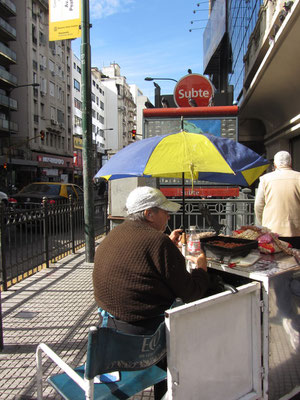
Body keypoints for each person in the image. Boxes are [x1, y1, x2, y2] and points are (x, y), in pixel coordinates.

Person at [93, 185, 209, 399]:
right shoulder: (158, 242)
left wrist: (167, 247)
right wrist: (202, 267)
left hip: (109, 330)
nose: (168, 216)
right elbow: (192, 291)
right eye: (164, 211)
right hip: (143, 340)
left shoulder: (114, 233)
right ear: (149, 214)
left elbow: (140, 262)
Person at [254, 150, 300, 249]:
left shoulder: (265, 179)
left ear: (274, 164)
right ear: (290, 163)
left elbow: (258, 205)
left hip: (272, 229)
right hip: (296, 230)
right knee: (296, 260)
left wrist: (263, 223)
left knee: (274, 260)